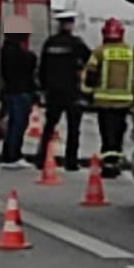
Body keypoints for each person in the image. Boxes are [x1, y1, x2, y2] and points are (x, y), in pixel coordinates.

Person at [34, 11, 91, 171]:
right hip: (71, 91)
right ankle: (70, 161)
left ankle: (41, 158)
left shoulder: (50, 43)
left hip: (53, 91)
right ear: (70, 25)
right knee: (73, 128)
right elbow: (90, 60)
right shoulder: (76, 43)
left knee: (49, 126)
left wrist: (43, 89)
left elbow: (42, 68)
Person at [83, 17, 134, 178]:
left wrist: (88, 92)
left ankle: (108, 165)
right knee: (119, 132)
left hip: (104, 101)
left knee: (107, 134)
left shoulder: (100, 51)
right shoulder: (129, 52)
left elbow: (91, 73)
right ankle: (115, 161)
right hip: (124, 101)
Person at [0, 16, 37, 167]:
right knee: (18, 124)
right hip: (20, 92)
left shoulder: (2, 53)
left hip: (7, 91)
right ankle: (13, 155)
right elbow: (30, 67)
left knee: (11, 124)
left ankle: (9, 153)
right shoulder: (25, 56)